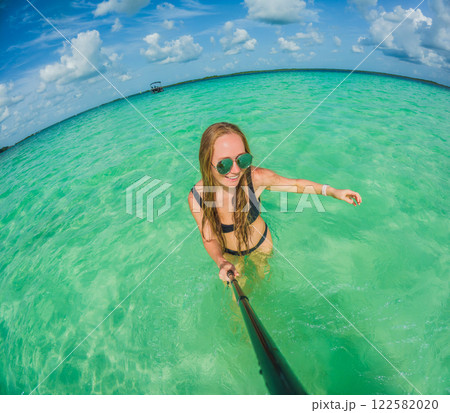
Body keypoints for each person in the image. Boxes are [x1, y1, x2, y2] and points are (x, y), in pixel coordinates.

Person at [188, 122, 362, 284]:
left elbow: (296, 185)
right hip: (230, 255)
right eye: (224, 164)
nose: (235, 170)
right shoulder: (198, 197)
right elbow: (209, 238)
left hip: (261, 244)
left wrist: (332, 191)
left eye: (242, 160)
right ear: (207, 161)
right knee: (237, 302)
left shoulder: (255, 178)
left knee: (265, 282)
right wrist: (221, 262)